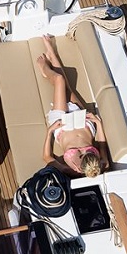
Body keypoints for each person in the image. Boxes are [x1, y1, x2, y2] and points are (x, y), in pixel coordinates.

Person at [37, 35, 109, 178]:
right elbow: (102, 144)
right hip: (83, 120)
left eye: (82, 155)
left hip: (61, 124)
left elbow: (47, 157)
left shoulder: (70, 170)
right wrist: (98, 123)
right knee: (67, 87)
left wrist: (50, 131)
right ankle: (52, 54)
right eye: (89, 152)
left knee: (59, 80)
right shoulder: (102, 163)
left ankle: (44, 68)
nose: (84, 151)